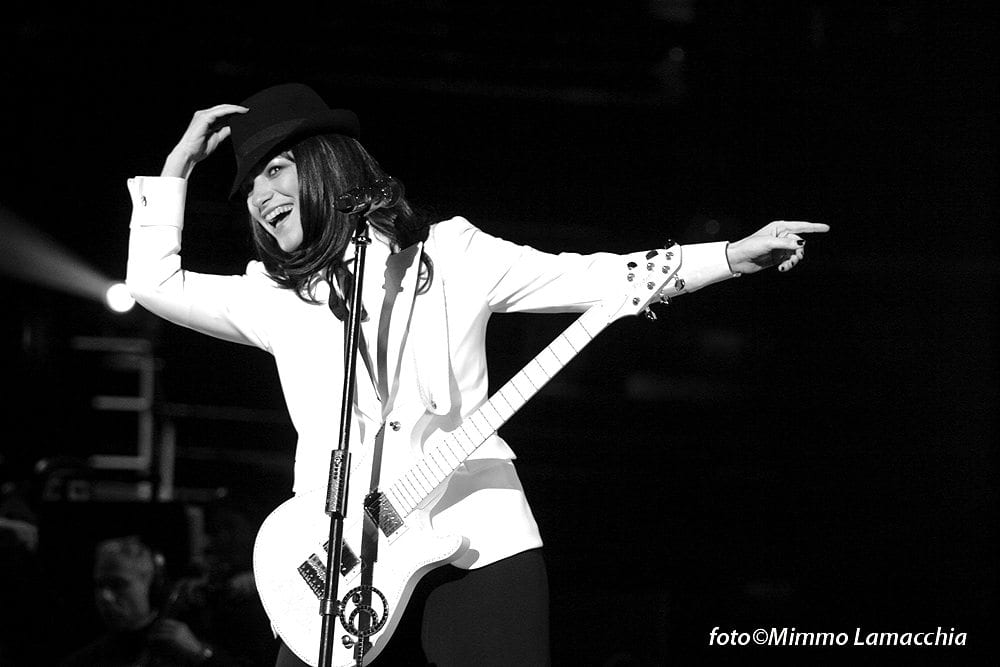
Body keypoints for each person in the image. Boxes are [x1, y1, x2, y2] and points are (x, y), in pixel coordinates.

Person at [125, 83, 828, 666]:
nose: (259, 196)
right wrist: (178, 167)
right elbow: (153, 283)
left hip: (477, 538)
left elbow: (598, 276)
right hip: (338, 564)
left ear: (327, 166)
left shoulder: (454, 256)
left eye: (276, 170)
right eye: (249, 186)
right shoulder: (275, 299)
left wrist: (729, 257)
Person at [61, 535, 235, 666]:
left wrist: (201, 654)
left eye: (118, 584)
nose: (104, 596)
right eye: (100, 585)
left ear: (153, 586)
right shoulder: (85, 660)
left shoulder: (189, 645)